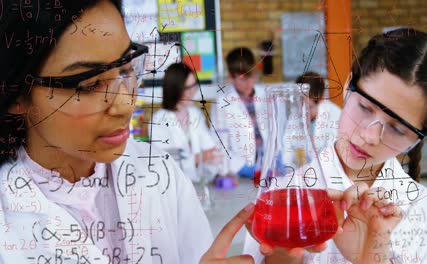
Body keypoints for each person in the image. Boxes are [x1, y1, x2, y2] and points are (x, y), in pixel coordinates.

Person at [0, 1, 257, 263]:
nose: (126, 104)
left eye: (126, 69)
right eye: (89, 84)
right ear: (16, 96)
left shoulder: (160, 171)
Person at [243, 28, 427, 263]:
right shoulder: (281, 196)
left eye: (397, 129)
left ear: (420, 137)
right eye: (365, 108)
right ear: (349, 84)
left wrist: (372, 257)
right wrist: (280, 258)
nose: (370, 136)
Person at [151, 62, 221, 182]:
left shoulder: (195, 114)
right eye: (186, 88)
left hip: (199, 183)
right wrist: (198, 158)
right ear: (173, 89)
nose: (192, 92)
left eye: (193, 85)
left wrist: (213, 158)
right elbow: (165, 162)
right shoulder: (159, 121)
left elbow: (210, 148)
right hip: (174, 188)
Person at [211, 47, 269, 179]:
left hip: (269, 168)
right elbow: (219, 144)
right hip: (241, 172)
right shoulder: (222, 103)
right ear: (231, 77)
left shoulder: (266, 94)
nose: (249, 83)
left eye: (252, 76)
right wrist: (240, 167)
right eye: (243, 79)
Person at [296, 71, 341, 152]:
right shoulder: (296, 113)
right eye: (299, 106)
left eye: (307, 108)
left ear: (320, 100)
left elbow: (332, 155)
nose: (302, 113)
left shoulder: (336, 116)